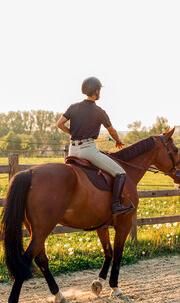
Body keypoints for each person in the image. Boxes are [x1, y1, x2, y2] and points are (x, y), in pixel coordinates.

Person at [57, 77, 134, 215]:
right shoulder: (99, 111)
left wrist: (72, 133)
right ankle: (116, 205)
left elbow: (59, 124)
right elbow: (112, 131)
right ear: (96, 91)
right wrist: (118, 141)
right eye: (100, 91)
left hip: (72, 150)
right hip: (88, 150)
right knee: (120, 172)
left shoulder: (73, 107)